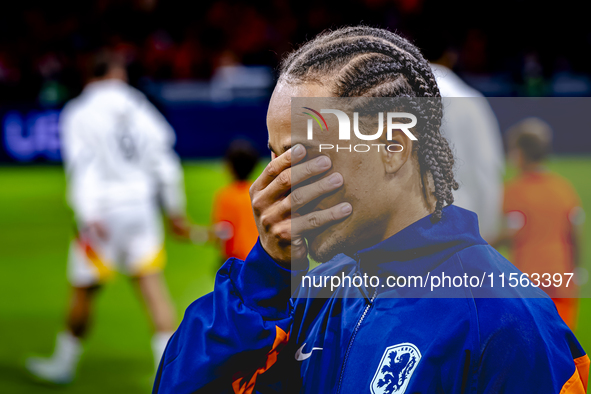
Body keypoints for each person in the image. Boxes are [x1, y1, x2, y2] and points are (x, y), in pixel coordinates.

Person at [153, 27, 588, 393]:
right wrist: (266, 274)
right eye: (274, 157)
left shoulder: (506, 320)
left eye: (300, 156)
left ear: (393, 148)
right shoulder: (308, 295)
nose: (278, 186)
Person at [26, 53, 190, 384]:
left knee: (85, 289)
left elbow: (80, 165)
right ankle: (170, 371)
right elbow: (164, 160)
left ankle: (63, 364)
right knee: (152, 286)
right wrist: (174, 209)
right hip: (141, 209)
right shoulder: (139, 105)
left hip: (103, 212)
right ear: (114, 74)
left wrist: (87, 213)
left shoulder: (79, 111)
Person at [495, 117, 583, 330]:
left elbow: (513, 231)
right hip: (562, 280)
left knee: (534, 347)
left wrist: (477, 244)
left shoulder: (516, 191)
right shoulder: (564, 189)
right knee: (565, 348)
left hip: (530, 281)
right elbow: (575, 232)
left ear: (520, 153)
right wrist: (576, 269)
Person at [430, 61, 505, 243]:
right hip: (461, 222)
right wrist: (487, 230)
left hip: (401, 233)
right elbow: (486, 168)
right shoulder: (468, 99)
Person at [211, 139, 260, 261]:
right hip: (261, 258)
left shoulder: (226, 196)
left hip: (237, 261)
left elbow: (222, 233)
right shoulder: (261, 193)